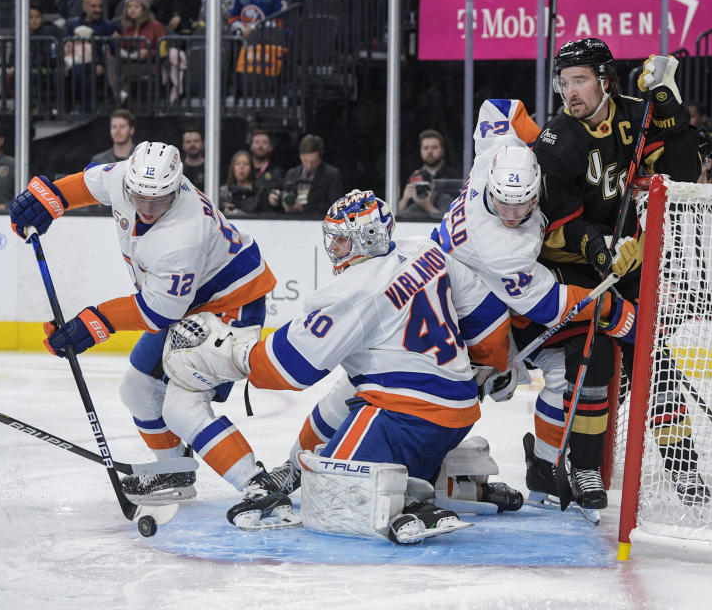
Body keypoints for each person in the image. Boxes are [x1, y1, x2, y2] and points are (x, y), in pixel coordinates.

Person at [261, 99, 639, 514]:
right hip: (463, 314)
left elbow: (498, 109)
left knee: (355, 387)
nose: (512, 214)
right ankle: (300, 468)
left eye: (522, 204)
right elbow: (552, 305)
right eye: (504, 203)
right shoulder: (503, 250)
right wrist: (618, 315)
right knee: (365, 386)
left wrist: (541, 145)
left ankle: (543, 469)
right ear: (492, 188)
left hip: (440, 288)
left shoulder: (490, 160)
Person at [162, 189, 514, 541]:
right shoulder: (425, 249)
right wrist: (491, 366)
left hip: (405, 419)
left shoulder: (354, 290)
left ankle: (413, 504)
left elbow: (289, 368)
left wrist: (226, 351)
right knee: (347, 390)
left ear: (369, 238)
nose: (335, 249)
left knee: (327, 497)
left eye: (343, 241)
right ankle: (455, 483)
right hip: (459, 411)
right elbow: (489, 320)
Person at [8, 141, 278, 518]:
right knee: (137, 390)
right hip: (188, 303)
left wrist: (92, 324)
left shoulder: (181, 237)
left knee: (183, 407)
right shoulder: (128, 180)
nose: (147, 208)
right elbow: (88, 184)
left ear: (177, 186)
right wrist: (50, 198)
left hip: (231, 306)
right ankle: (173, 474)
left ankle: (258, 485)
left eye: (160, 200)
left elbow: (156, 313)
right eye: (139, 197)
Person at [531, 38, 706, 510]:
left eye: (580, 80)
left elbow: (681, 170)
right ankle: (585, 467)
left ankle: (683, 463)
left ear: (605, 80)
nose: (571, 92)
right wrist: (600, 248)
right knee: (597, 355)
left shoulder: (634, 114)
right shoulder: (557, 140)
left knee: (654, 357)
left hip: (630, 260)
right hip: (577, 271)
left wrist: (668, 106)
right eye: (564, 82)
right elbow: (555, 228)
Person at [112, 0, 168, 106]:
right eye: (129, 7)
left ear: (144, 9)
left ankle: (121, 96)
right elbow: (123, 48)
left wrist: (148, 53)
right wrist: (117, 42)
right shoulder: (128, 28)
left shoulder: (156, 26)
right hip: (130, 61)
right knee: (110, 59)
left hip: (151, 65)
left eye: (136, 7)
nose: (132, 10)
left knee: (125, 70)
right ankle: (120, 94)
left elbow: (163, 52)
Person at [152, 0, 201, 103]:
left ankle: (179, 90)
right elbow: (153, 14)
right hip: (164, 38)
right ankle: (165, 91)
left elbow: (195, 18)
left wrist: (182, 18)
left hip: (186, 39)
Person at [62, 0, 115, 113]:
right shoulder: (72, 25)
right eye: (93, 6)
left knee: (80, 72)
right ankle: (64, 111)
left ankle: (87, 111)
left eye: (100, 6)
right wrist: (67, 49)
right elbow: (66, 44)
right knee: (58, 73)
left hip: (96, 64)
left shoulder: (108, 26)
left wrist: (101, 64)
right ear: (84, 6)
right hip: (73, 61)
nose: (98, 9)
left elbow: (111, 49)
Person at [398, 129, 461, 220]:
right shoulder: (414, 176)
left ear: (442, 151)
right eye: (425, 148)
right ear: (420, 151)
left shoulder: (454, 177)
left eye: (434, 147)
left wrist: (427, 205)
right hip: (412, 226)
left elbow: (456, 216)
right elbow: (397, 215)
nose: (430, 151)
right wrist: (405, 199)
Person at [277, 134, 344, 216]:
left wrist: (303, 208)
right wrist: (280, 201)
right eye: (305, 160)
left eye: (313, 161)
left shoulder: (332, 175)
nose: (309, 165)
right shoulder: (292, 173)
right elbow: (285, 197)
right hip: (292, 222)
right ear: (300, 156)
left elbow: (336, 207)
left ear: (321, 156)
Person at [219, 150, 259, 215]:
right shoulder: (223, 193)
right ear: (232, 168)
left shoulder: (258, 192)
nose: (242, 167)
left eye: (246, 164)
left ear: (251, 168)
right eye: (238, 164)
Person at [180, 126, 205, 190]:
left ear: (203, 144)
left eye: (196, 141)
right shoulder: (178, 169)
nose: (192, 144)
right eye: (188, 142)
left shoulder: (211, 168)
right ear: (183, 145)